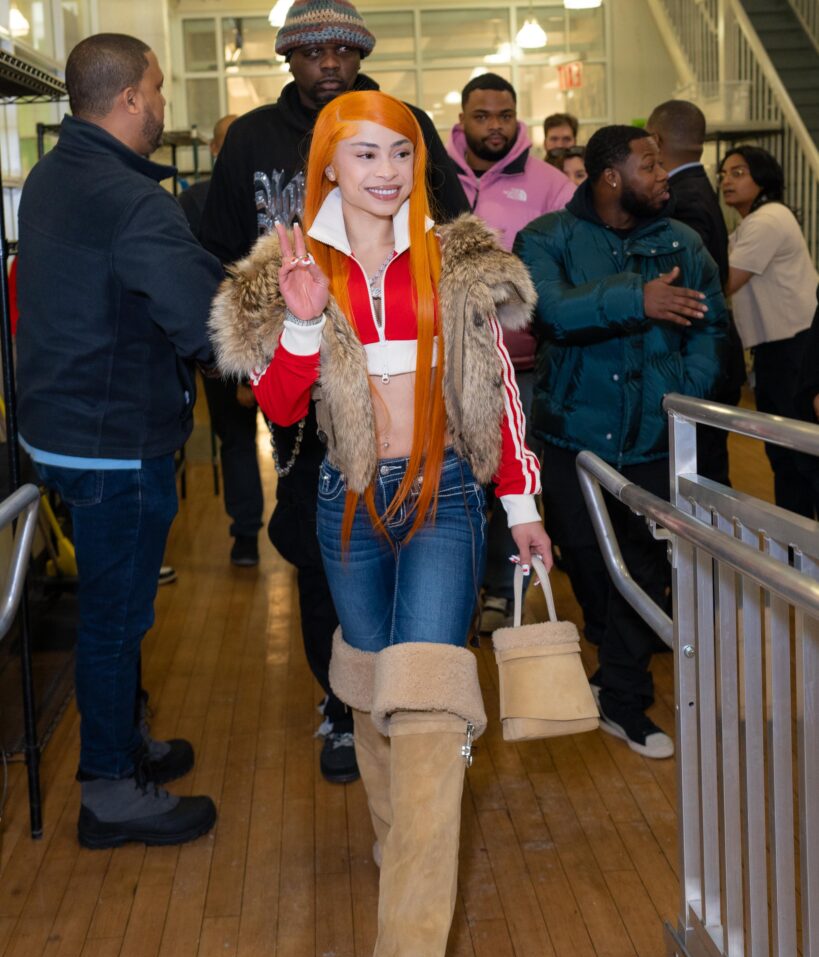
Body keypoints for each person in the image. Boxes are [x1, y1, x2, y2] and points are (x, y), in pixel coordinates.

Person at [211, 89, 549, 957]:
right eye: (363, 155)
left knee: (431, 707)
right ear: (328, 163)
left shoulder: (458, 252)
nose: (386, 172)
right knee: (368, 689)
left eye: (398, 153)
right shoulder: (282, 267)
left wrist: (519, 501)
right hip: (343, 503)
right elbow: (277, 412)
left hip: (444, 496)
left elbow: (496, 388)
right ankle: (405, 849)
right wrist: (305, 321)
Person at [200, 0, 470, 785]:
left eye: (342, 50)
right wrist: (268, 337)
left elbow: (445, 229)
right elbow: (220, 245)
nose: (329, 62)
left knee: (421, 570)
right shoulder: (252, 137)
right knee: (323, 552)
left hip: (406, 382)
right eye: (312, 50)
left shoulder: (402, 120)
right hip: (302, 371)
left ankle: (414, 718)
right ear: (288, 58)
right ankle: (343, 703)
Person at [15, 33, 219, 848]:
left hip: (67, 426)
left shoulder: (57, 174)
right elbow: (200, 317)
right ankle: (108, 790)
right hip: (114, 438)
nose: (163, 104)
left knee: (114, 614)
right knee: (113, 618)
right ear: (132, 98)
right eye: (159, 89)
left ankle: (122, 742)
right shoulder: (130, 197)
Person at [515, 125, 727, 758]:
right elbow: (549, 312)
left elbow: (710, 329)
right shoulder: (547, 237)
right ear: (611, 177)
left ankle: (625, 698)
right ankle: (614, 667)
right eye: (650, 165)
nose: (665, 176)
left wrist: (677, 399)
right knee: (586, 563)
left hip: (653, 442)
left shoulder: (682, 242)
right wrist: (639, 297)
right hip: (572, 441)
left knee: (642, 570)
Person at [446, 71, 573, 631]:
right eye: (482, 116)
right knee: (458, 480)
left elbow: (568, 268)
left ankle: (503, 590)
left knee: (512, 481)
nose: (494, 126)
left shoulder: (549, 185)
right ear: (463, 120)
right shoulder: (429, 176)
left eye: (504, 115)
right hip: (448, 365)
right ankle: (458, 590)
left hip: (522, 366)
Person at [179, 114, 264, 568]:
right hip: (222, 346)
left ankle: (299, 533)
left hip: (284, 341)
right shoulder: (191, 203)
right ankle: (245, 534)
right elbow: (191, 280)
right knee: (235, 440)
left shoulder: (275, 192)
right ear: (214, 151)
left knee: (298, 439)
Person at [647, 99, 745, 485]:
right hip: (713, 357)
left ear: (655, 139)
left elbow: (687, 285)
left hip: (703, 358)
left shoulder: (680, 199)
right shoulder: (697, 188)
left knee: (701, 481)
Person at [720, 145, 819, 517]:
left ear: (762, 176)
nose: (727, 181)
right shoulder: (749, 224)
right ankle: (796, 556)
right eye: (724, 174)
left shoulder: (768, 219)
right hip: (776, 350)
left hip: (794, 348)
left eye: (738, 172)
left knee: (799, 458)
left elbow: (726, 281)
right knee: (784, 456)